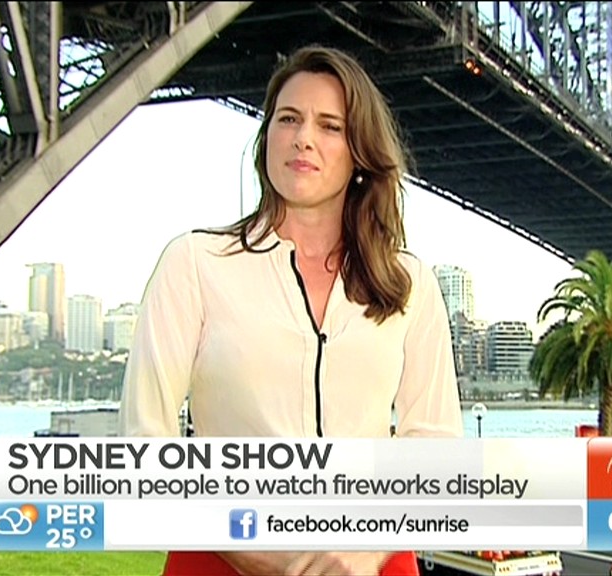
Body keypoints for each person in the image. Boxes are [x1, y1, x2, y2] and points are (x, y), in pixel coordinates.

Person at [119, 45, 463, 576]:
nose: (304, 137)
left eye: (330, 126)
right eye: (288, 119)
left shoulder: (409, 284)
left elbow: (437, 449)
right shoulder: (194, 263)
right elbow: (144, 442)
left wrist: (366, 549)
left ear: (359, 153)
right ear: (266, 141)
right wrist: (249, 547)